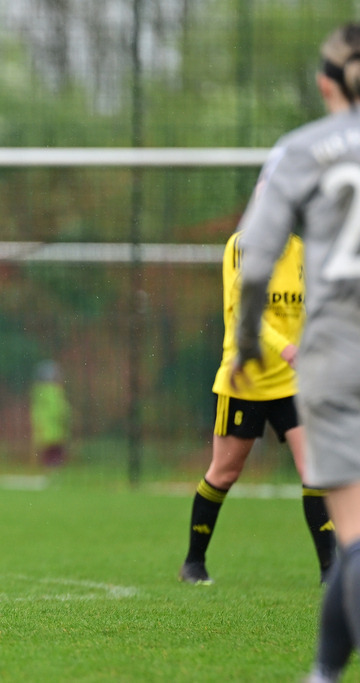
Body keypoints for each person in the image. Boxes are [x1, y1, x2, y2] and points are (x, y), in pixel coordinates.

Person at [230, 23, 360, 681]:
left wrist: (246, 341)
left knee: (356, 535)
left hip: (337, 352)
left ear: (324, 81)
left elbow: (253, 261)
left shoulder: (303, 149)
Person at [178, 231, 335, 586]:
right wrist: (286, 348)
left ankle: (331, 571)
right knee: (225, 472)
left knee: (314, 469)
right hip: (244, 380)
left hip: (293, 384)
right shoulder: (243, 246)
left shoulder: (301, 250)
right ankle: (193, 563)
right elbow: (243, 312)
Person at [30, 360, 72, 468]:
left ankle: (49, 467)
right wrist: (66, 416)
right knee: (55, 452)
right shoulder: (53, 392)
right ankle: (53, 468)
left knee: (48, 452)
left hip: (44, 428)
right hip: (55, 428)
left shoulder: (39, 392)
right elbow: (58, 409)